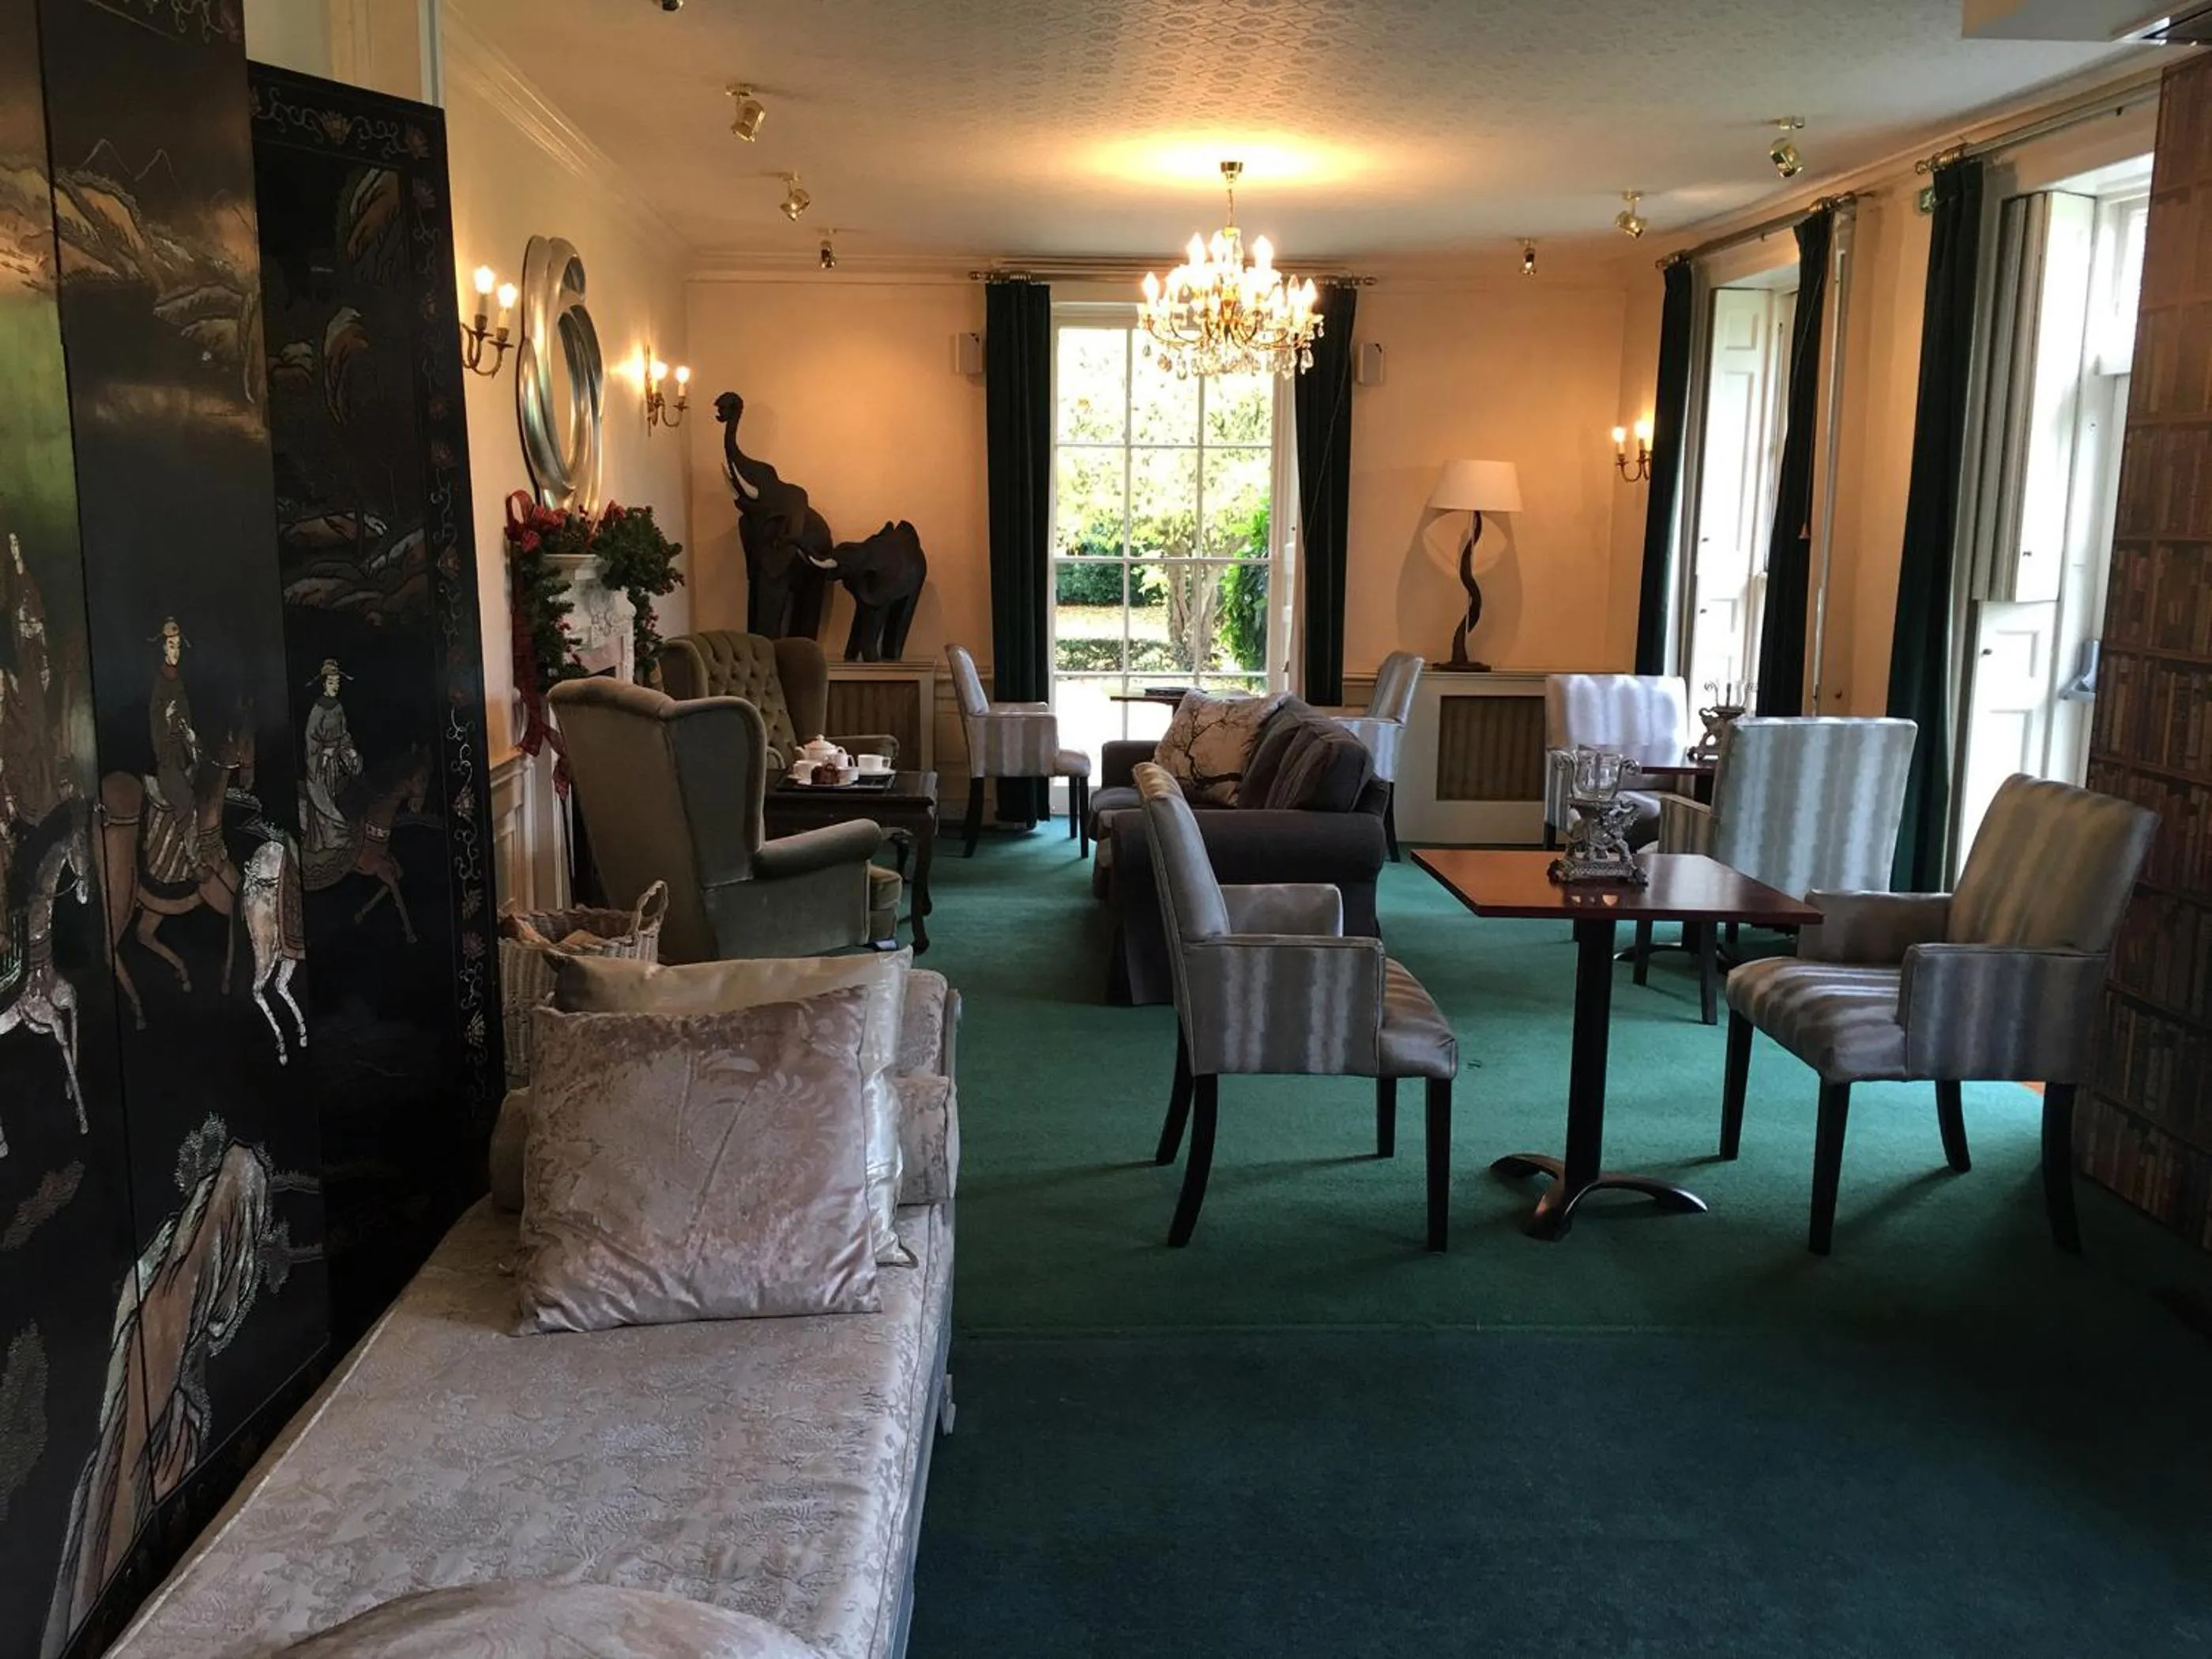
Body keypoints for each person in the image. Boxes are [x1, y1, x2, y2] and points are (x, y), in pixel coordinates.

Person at [303, 658, 360, 850]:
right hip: (321, 762)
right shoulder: (318, 709)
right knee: (323, 797)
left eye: (337, 683)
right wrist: (322, 754)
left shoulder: (338, 707)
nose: (334, 687)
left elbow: (343, 733)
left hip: (336, 757)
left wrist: (350, 750)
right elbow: (311, 737)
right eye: (330, 683)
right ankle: (328, 839)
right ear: (323, 685)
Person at [148, 617, 198, 814]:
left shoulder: (179, 683)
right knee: (187, 802)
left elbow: (185, 716)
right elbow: (155, 721)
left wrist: (190, 735)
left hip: (182, 756)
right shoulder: (159, 685)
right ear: (164, 648)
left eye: (178, 646)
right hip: (168, 762)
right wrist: (167, 719)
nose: (175, 651)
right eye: (171, 646)